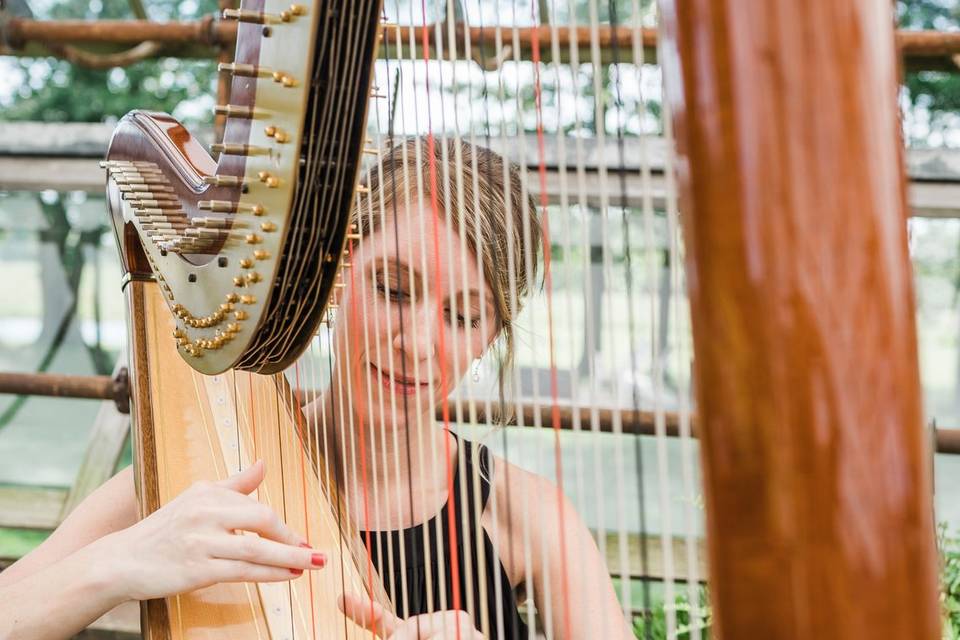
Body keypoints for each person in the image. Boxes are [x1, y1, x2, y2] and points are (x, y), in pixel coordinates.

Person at [0, 138, 631, 640]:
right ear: (338, 274)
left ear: (488, 338)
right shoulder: (207, 478)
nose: (417, 342)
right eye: (393, 289)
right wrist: (118, 564)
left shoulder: (524, 515)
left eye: (462, 316)